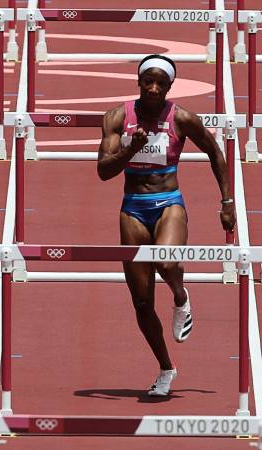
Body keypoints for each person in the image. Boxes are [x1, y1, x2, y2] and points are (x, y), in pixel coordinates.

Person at [97, 54, 235, 396]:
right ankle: (166, 368)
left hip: (168, 202)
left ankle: (179, 294)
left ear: (171, 86)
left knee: (167, 260)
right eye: (149, 81)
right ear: (139, 82)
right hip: (132, 208)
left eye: (161, 83)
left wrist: (227, 201)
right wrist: (132, 150)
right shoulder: (117, 117)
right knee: (142, 302)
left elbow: (215, 152)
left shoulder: (182, 118)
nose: (154, 88)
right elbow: (103, 170)